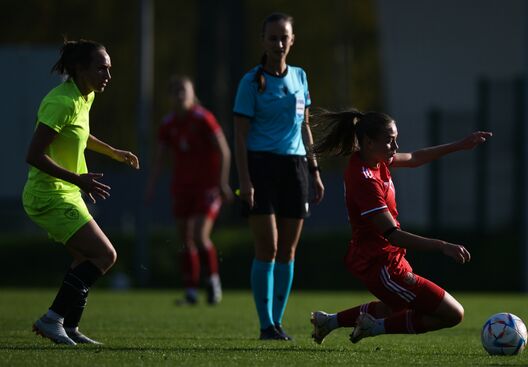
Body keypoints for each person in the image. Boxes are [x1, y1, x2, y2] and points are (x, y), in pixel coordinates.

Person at [308, 110, 492, 344]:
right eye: (390, 139)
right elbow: (393, 235)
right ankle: (373, 329)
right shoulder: (365, 180)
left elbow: (414, 157)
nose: (395, 145)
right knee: (453, 313)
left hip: (384, 259)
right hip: (382, 265)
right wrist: (442, 245)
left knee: (391, 308)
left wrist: (460, 145)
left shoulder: (375, 159)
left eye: (395, 138)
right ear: (368, 142)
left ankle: (329, 321)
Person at [22, 39, 140, 345]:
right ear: (79, 68)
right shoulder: (61, 101)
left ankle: (70, 327)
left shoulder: (83, 96)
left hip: (67, 191)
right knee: (105, 254)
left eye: (109, 69)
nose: (108, 75)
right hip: (48, 195)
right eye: (101, 68)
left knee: (84, 258)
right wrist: (79, 179)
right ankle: (52, 319)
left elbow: (79, 134)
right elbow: (34, 155)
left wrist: (112, 152)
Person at [233, 13, 325, 340]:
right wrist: (244, 181)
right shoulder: (250, 82)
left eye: (284, 37)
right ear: (263, 41)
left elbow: (305, 126)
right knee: (267, 247)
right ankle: (264, 325)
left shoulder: (300, 77)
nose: (279, 43)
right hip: (261, 168)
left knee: (288, 250)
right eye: (272, 38)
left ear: (292, 39)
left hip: (296, 167)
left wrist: (314, 171)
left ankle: (277, 322)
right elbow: (240, 136)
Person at [147, 75, 232, 305]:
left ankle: (213, 283)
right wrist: (151, 186)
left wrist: (222, 183)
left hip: (207, 189)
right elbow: (159, 159)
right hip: (182, 188)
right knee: (185, 239)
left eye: (183, 90)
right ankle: (191, 292)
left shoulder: (203, 118)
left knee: (199, 235)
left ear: (193, 94)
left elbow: (224, 150)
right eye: (175, 91)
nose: (179, 95)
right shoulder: (168, 124)